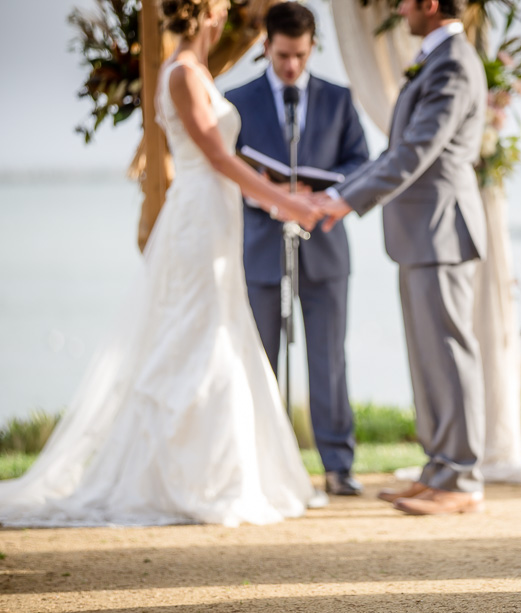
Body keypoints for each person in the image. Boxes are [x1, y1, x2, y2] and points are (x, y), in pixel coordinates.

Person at [0, 0, 327, 527]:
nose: (227, 14)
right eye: (222, 7)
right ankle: (181, 479)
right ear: (209, 15)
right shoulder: (181, 74)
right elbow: (217, 156)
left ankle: (218, 470)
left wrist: (277, 197)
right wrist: (285, 202)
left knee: (221, 328)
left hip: (216, 212)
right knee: (195, 332)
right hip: (198, 216)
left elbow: (227, 160)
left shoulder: (196, 71)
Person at [311, 0, 488, 516]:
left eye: (407, 1)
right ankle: (439, 469)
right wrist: (340, 192)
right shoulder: (438, 58)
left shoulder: (453, 62)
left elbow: (415, 151)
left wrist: (345, 200)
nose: (401, 8)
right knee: (429, 357)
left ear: (429, 4)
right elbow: (400, 151)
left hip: (442, 230)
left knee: (449, 355)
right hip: (421, 232)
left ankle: (462, 480)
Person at [225, 2, 369, 497]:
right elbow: (226, 170)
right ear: (266, 46)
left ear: (312, 48)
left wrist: (322, 192)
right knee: (260, 358)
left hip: (325, 246)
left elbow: (360, 163)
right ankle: (264, 465)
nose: (291, 65)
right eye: (283, 55)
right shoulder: (236, 100)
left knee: (329, 359)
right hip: (259, 246)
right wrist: (268, 196)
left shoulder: (339, 98)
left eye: (300, 56)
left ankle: (338, 466)